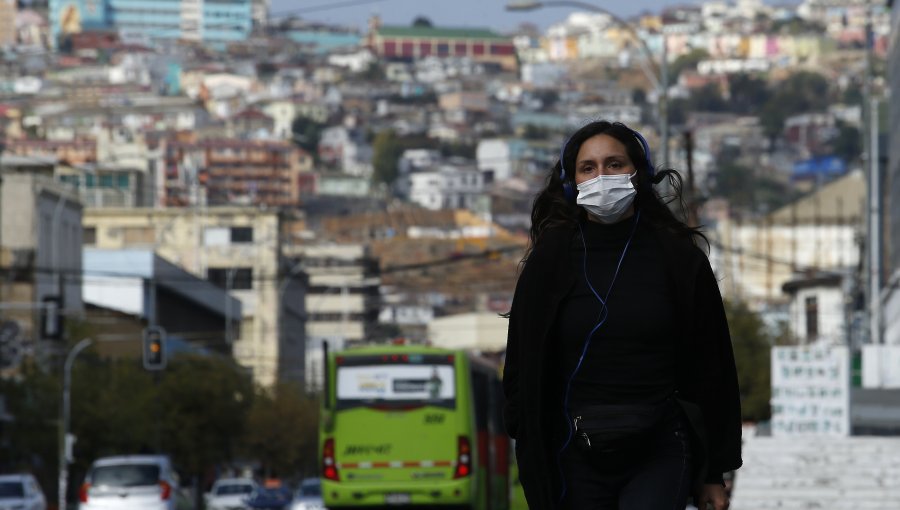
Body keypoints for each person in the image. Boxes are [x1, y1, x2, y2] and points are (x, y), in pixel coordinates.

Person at [502, 120, 742, 510]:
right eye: (588, 168)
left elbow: (713, 368)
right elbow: (521, 363)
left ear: (638, 174)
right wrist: (526, 434)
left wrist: (714, 471)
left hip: (660, 447)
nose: (601, 176)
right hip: (571, 453)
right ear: (571, 182)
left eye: (614, 164)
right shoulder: (549, 262)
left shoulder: (678, 259)